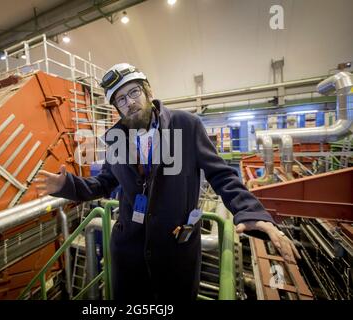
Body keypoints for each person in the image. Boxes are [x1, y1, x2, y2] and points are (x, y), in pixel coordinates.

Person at [34, 63, 300, 301]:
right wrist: (67, 186)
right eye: (120, 99)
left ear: (148, 91)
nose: (129, 102)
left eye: (134, 92)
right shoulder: (115, 139)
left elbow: (221, 174)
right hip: (128, 254)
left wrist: (249, 210)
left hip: (175, 252)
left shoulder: (186, 125)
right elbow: (104, 183)